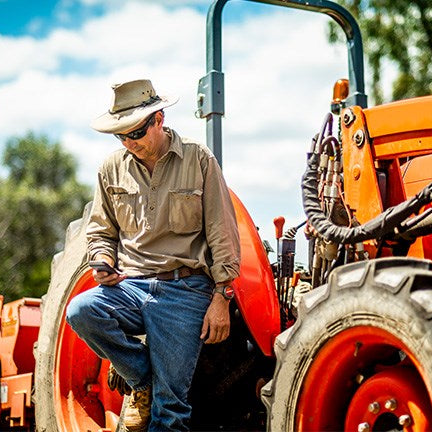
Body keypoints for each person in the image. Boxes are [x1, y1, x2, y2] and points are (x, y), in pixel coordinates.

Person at [66, 78, 240, 432]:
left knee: (170, 409)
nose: (130, 143)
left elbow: (223, 230)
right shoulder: (111, 168)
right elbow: (100, 230)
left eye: (137, 133)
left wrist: (222, 296)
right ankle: (142, 380)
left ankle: (153, 389)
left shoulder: (198, 158)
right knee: (81, 310)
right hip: (132, 286)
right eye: (122, 136)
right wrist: (102, 261)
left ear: (158, 119)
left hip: (185, 290)